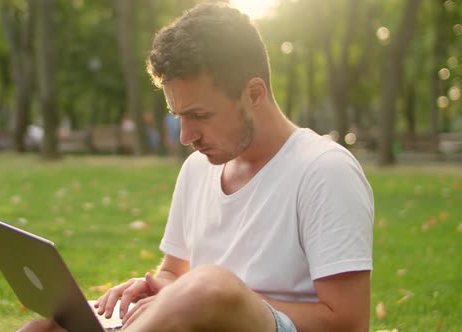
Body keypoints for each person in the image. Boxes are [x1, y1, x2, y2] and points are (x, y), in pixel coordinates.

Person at [19, 2, 373, 331]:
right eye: (178, 117)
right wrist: (161, 293)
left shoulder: (324, 170)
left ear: (253, 94)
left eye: (199, 115)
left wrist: (216, 300)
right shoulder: (196, 169)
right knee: (47, 327)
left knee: (211, 283)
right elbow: (173, 273)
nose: (186, 136)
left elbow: (347, 322)